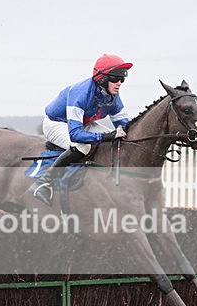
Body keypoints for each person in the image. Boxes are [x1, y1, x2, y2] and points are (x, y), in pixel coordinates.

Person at [29, 54, 132, 205]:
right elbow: (75, 134)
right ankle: (43, 181)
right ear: (102, 78)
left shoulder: (113, 96)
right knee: (83, 146)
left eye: (122, 79)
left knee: (117, 139)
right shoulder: (81, 93)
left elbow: (124, 126)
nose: (119, 83)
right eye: (115, 78)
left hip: (82, 123)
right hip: (56, 123)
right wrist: (106, 136)